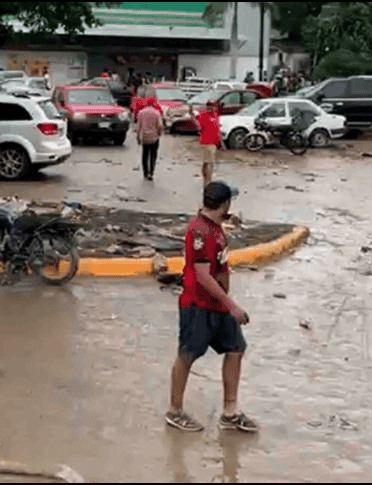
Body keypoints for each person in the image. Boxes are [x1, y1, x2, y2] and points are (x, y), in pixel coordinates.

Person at [166, 181, 257, 434]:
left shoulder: (215, 228)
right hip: (198, 306)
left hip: (218, 305)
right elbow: (203, 276)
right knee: (187, 356)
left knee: (236, 347)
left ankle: (230, 412)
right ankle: (175, 411)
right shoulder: (199, 232)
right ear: (224, 204)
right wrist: (233, 306)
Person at [194, 100, 223, 188]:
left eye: (212, 106)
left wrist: (219, 143)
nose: (210, 108)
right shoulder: (204, 115)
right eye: (209, 106)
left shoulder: (214, 115)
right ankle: (208, 182)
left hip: (210, 142)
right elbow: (200, 128)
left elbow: (217, 129)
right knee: (210, 163)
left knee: (206, 162)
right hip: (207, 142)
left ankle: (205, 179)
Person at [136, 98, 164, 181]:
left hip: (145, 137)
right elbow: (160, 126)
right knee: (153, 155)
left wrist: (138, 137)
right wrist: (159, 133)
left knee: (145, 155)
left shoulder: (141, 112)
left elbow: (138, 127)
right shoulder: (156, 113)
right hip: (154, 138)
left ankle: (145, 172)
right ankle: (151, 172)